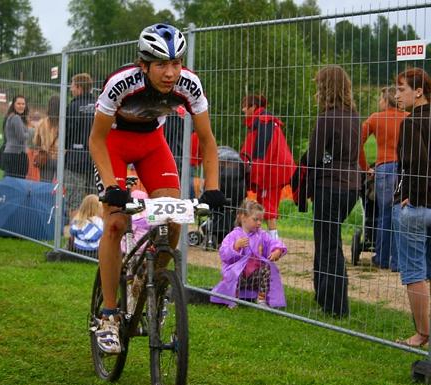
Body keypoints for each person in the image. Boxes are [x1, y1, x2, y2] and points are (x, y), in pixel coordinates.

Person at [89, 23, 226, 353]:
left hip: (152, 145)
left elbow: (207, 140)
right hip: (114, 144)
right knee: (116, 223)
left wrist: (212, 187)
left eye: (176, 63)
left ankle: (149, 283)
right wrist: (112, 186)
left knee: (173, 219)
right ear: (144, 65)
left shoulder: (189, 85)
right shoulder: (122, 83)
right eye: (162, 64)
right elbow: (97, 139)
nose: (170, 73)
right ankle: (109, 316)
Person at [303, 65, 361, 317]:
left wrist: (311, 171)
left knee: (328, 244)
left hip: (330, 185)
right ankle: (323, 295)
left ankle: (336, 305)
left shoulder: (327, 118)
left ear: (326, 88)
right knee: (330, 240)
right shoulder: (354, 116)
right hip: (352, 186)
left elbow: (314, 156)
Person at [391, 67, 431, 348]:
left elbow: (416, 164)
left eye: (401, 89)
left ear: (418, 92)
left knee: (414, 271)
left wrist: (411, 197)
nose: (397, 95)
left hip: (419, 207)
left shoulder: (412, 122)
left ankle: (422, 333)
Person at [359, 87, 409, 271]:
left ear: (386, 100)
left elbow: (357, 143)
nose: (379, 102)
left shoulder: (375, 118)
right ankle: (398, 262)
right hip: (405, 169)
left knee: (384, 214)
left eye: (381, 99)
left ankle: (382, 258)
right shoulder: (409, 117)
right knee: (401, 214)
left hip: (384, 168)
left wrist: (366, 167)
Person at [210, 200, 287, 308]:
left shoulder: (261, 235)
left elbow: (272, 242)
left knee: (267, 267)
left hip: (254, 276)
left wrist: (277, 250)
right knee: (235, 272)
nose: (259, 223)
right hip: (238, 276)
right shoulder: (233, 235)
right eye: (255, 219)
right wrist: (235, 247)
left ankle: (261, 299)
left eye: (261, 220)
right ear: (243, 218)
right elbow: (224, 253)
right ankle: (233, 298)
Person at [239, 94, 296, 240]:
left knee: (268, 206)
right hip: (274, 169)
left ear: (253, 107)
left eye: (245, 106)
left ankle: (274, 242)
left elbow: (262, 151)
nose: (243, 109)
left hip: (272, 172)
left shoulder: (264, 122)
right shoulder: (262, 122)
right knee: (264, 204)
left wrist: (257, 175)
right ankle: (265, 239)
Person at [64, 73, 97, 218]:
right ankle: (94, 229)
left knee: (75, 202)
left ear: (79, 88)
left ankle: (76, 231)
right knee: (94, 201)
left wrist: (67, 146)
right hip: (95, 159)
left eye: (72, 86)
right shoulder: (98, 105)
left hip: (75, 160)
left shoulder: (73, 106)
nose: (71, 89)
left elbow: (66, 132)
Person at [3, 95, 32, 179]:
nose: (21, 106)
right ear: (14, 105)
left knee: (10, 180)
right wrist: (30, 132)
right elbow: (21, 137)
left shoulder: (11, 116)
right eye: (18, 104)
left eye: (23, 104)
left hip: (12, 153)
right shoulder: (16, 118)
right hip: (16, 155)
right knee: (18, 181)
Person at [32, 95, 60, 182]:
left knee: (45, 184)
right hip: (61, 158)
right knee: (60, 185)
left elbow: (36, 141)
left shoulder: (42, 123)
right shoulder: (64, 123)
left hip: (46, 158)